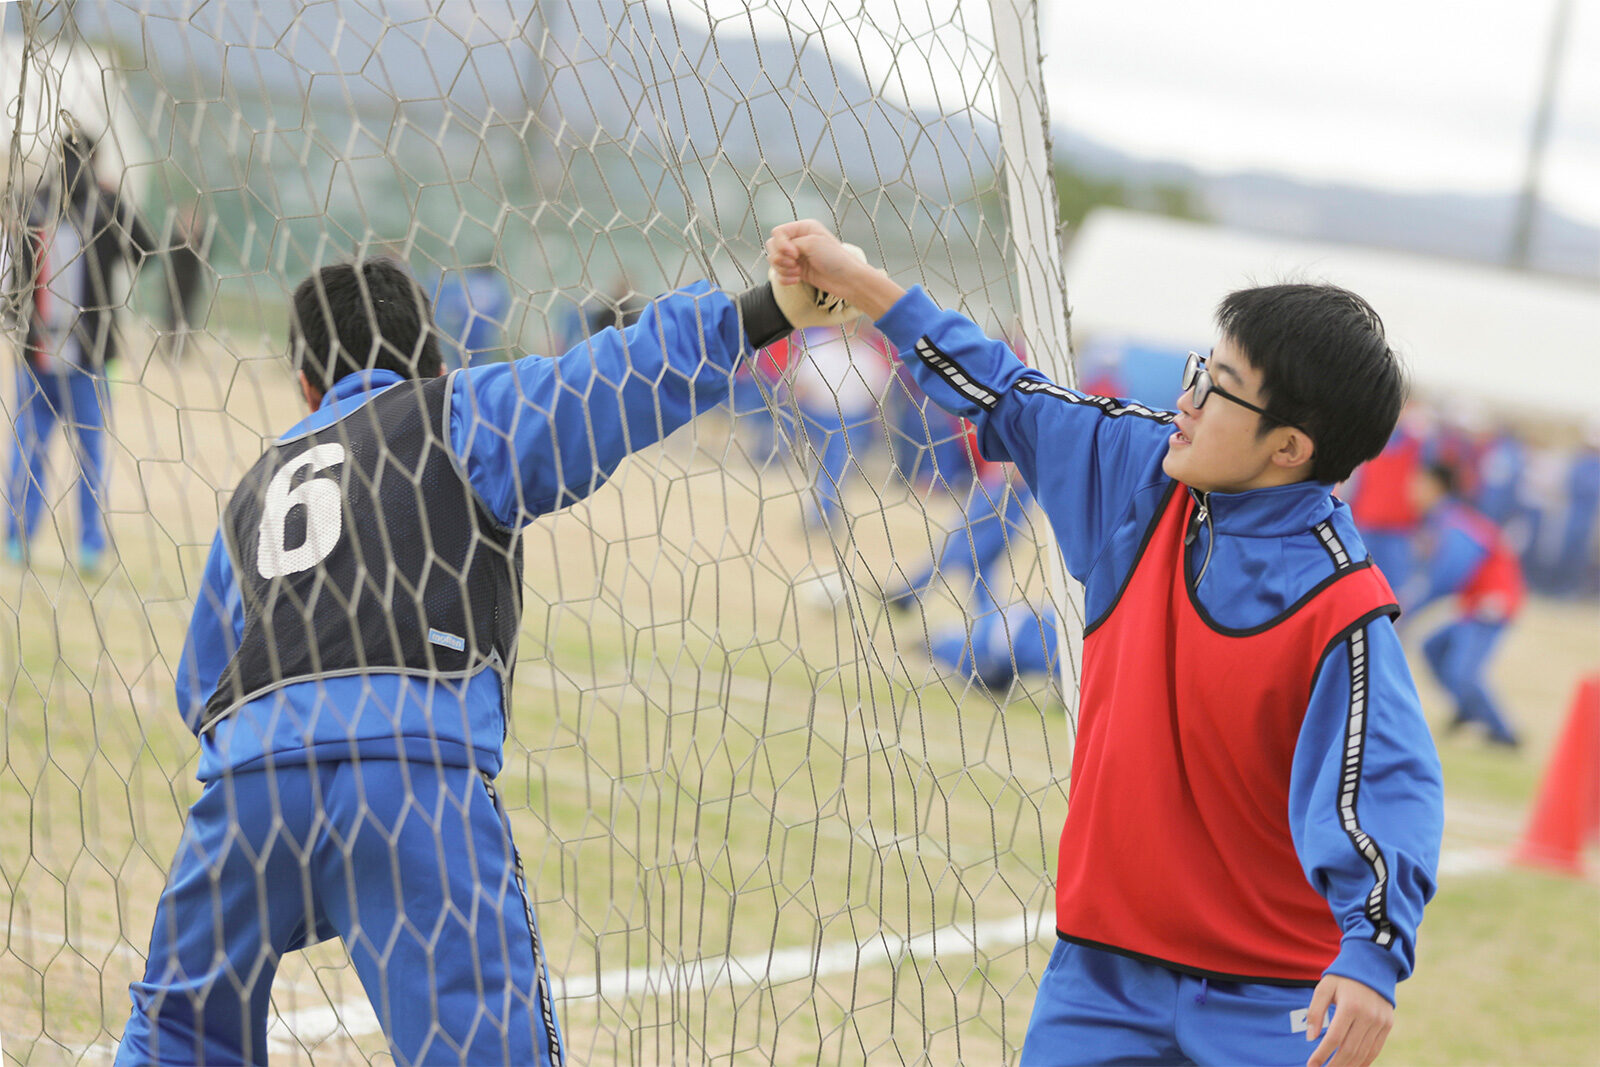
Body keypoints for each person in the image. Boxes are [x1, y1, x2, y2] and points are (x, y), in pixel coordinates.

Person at [114, 255, 844, 1065]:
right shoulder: (455, 410)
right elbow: (605, 378)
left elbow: (201, 687)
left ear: (305, 387)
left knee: (175, 1033)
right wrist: (761, 310)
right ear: (435, 361)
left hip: (248, 791)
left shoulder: (259, 484)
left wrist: (296, 821)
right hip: (410, 775)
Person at [766, 220, 1443, 1067]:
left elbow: (1386, 786)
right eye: (1199, 370)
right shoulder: (1142, 472)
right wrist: (858, 279)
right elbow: (1001, 390)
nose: (1188, 399)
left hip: (1269, 999)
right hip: (1098, 976)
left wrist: (1372, 956)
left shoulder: (1339, 607)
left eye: (1219, 387)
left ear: (1289, 449)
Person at [4, 132, 157, 571]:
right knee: (79, 455)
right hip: (52, 358)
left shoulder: (55, 202)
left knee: (39, 451)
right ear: (95, 160)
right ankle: (76, 546)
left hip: (71, 357)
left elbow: (142, 252)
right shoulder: (77, 205)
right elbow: (147, 254)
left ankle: (30, 541)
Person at [1407, 461, 1526, 746]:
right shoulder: (1443, 519)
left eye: (1418, 483)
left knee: (1462, 672)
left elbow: (1448, 574)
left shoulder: (1454, 522)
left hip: (1492, 605)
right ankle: (1466, 709)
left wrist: (1407, 609)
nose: (1411, 490)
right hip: (1474, 604)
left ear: (1436, 487)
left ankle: (1505, 734)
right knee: (1433, 649)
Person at [159, 202, 213, 360]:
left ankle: (183, 350)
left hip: (191, 284)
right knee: (170, 314)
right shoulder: (175, 238)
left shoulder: (202, 240)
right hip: (173, 282)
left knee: (187, 316)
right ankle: (169, 348)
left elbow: (205, 257)